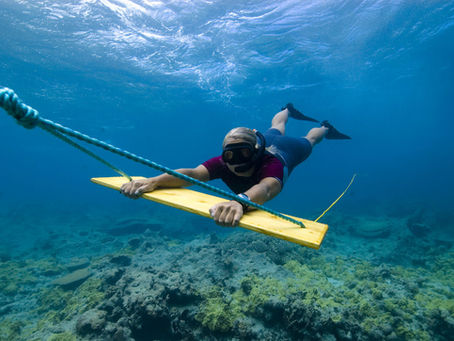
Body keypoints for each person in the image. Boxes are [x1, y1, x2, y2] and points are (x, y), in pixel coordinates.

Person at [120, 103, 350, 227]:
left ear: (256, 152)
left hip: (286, 149)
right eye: (231, 155)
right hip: (265, 141)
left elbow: (267, 188)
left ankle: (326, 127)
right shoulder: (223, 163)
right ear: (224, 155)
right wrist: (152, 182)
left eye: (243, 154)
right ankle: (287, 109)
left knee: (309, 140)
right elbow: (191, 174)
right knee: (276, 127)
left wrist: (241, 202)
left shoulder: (270, 164)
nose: (236, 163)